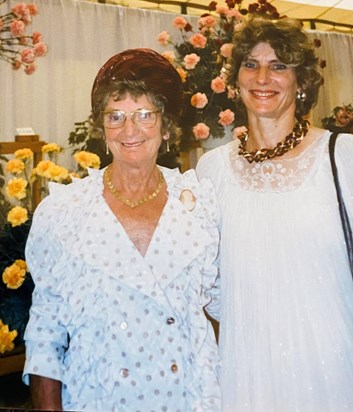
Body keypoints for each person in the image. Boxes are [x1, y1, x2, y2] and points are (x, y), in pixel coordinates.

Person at [23, 48, 221, 411]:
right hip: (98, 399)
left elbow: (227, 310)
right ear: (102, 127)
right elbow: (45, 333)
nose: (129, 130)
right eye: (115, 116)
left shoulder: (200, 204)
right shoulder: (65, 210)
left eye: (144, 114)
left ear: (166, 125)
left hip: (189, 399)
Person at [197, 18, 353, 412]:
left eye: (279, 65)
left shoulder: (344, 158)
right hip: (243, 373)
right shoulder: (210, 171)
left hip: (331, 369)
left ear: (301, 82)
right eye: (251, 64)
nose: (263, 76)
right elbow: (204, 285)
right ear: (235, 80)